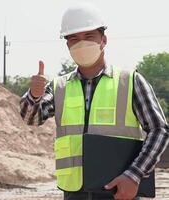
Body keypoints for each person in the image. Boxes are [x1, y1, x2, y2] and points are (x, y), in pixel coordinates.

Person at [20, 3, 169, 200]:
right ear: (68, 46)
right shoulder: (59, 86)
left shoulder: (130, 81)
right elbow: (32, 118)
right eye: (74, 39)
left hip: (120, 192)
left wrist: (134, 175)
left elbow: (159, 130)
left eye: (89, 37)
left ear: (103, 40)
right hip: (74, 193)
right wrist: (34, 95)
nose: (81, 44)